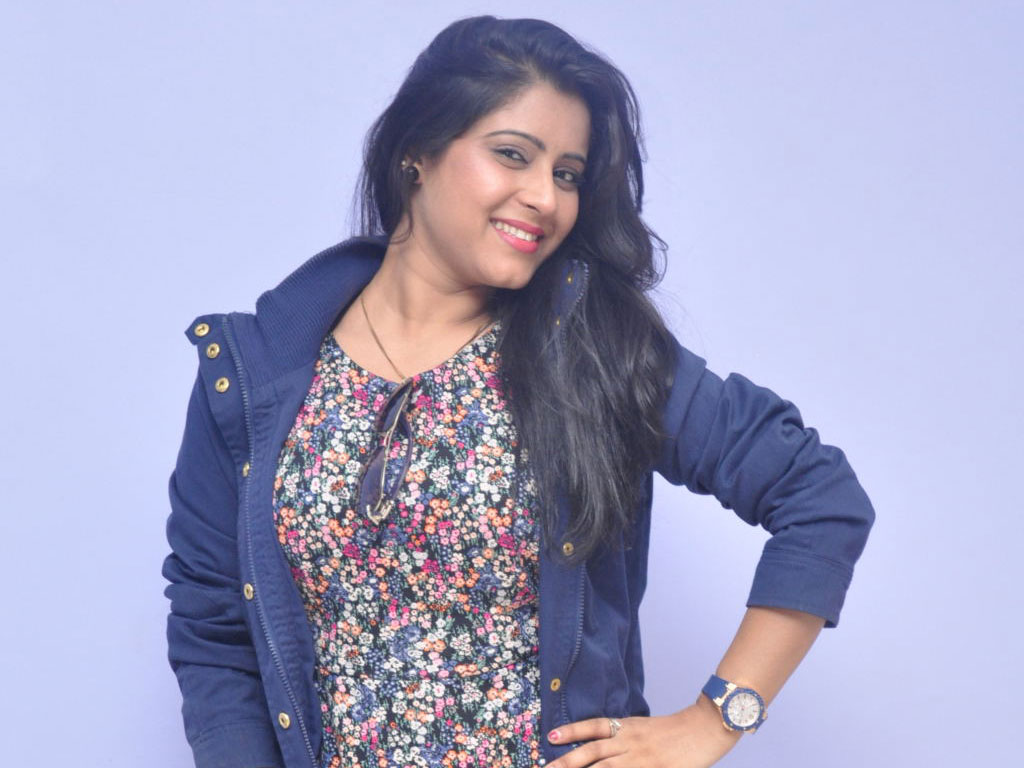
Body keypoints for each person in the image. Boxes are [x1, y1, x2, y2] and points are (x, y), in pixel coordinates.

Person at [162, 14, 875, 768]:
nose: (546, 198)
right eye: (513, 155)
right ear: (417, 151)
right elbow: (213, 630)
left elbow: (818, 496)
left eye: (567, 174)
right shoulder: (255, 373)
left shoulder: (591, 348)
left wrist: (717, 718)